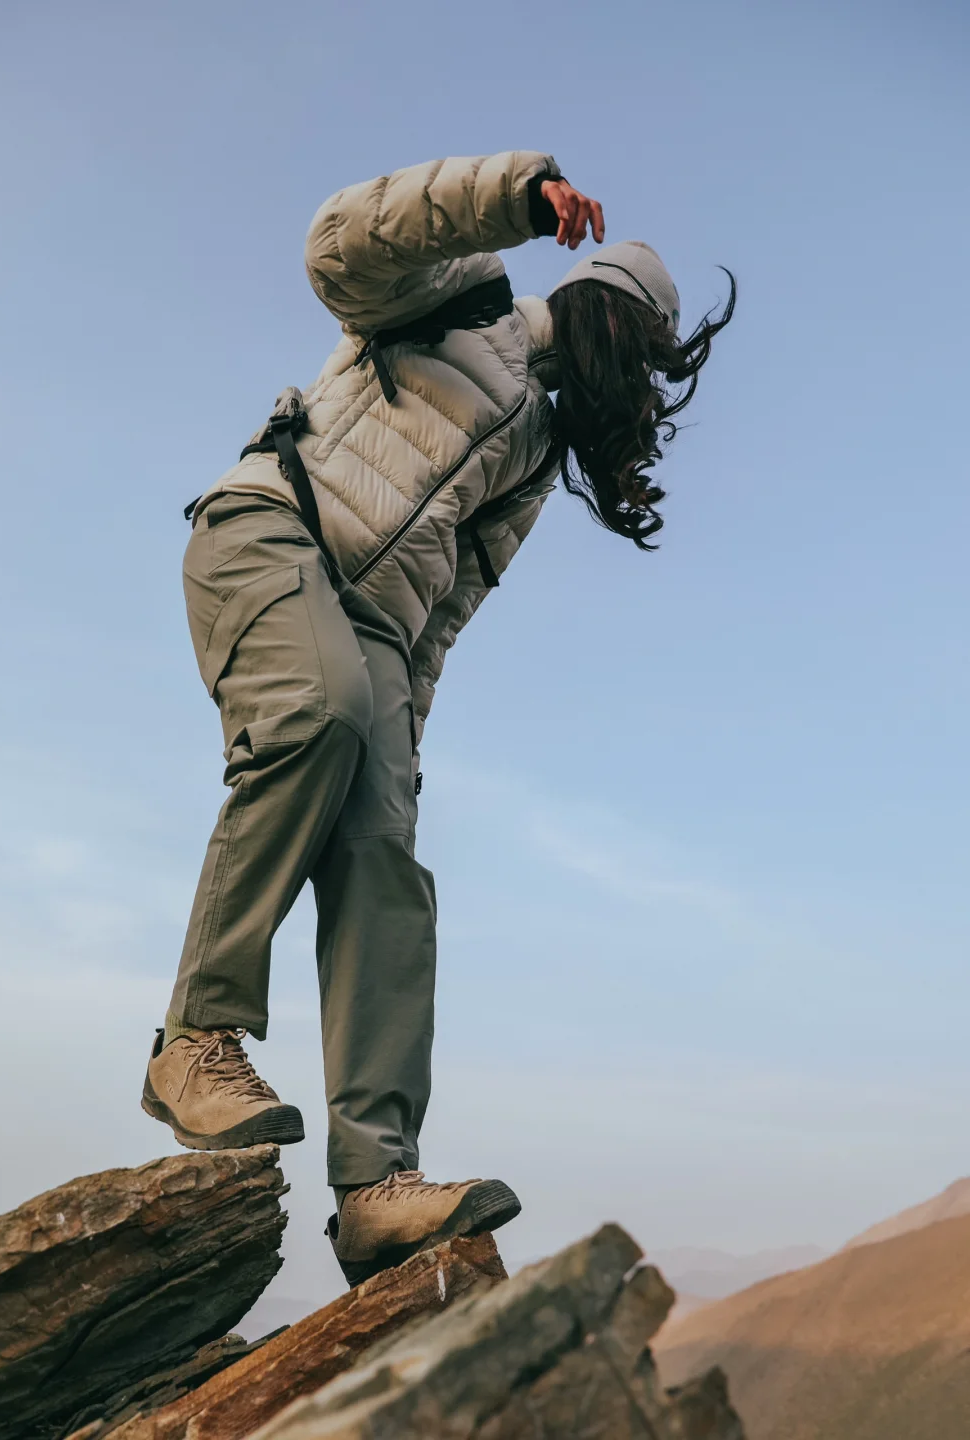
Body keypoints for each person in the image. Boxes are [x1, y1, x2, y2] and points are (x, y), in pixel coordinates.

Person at [142, 151, 735, 1285]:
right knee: (313, 716)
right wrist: (514, 193)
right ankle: (195, 1043)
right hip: (272, 531)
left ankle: (376, 1188)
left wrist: (403, 754)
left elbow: (443, 617)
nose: (645, 382)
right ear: (607, 313)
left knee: (385, 859)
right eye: (646, 354)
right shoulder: (462, 292)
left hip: (375, 637)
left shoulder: (534, 442)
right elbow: (336, 240)